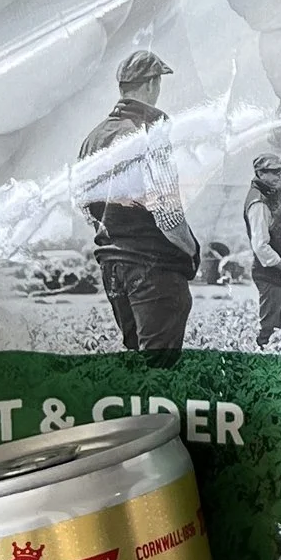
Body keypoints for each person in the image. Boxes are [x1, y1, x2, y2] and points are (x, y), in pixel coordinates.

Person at [77, 48, 199, 354]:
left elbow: (84, 206)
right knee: (160, 367)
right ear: (153, 83)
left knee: (136, 360)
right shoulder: (150, 132)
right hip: (152, 268)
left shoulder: (93, 138)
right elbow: (167, 213)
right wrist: (192, 249)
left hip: (112, 267)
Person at [242, 154, 281, 349]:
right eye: (275, 172)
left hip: (277, 274)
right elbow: (260, 246)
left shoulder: (270, 194)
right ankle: (263, 358)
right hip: (270, 273)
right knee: (269, 329)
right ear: (260, 173)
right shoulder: (259, 203)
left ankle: (277, 359)